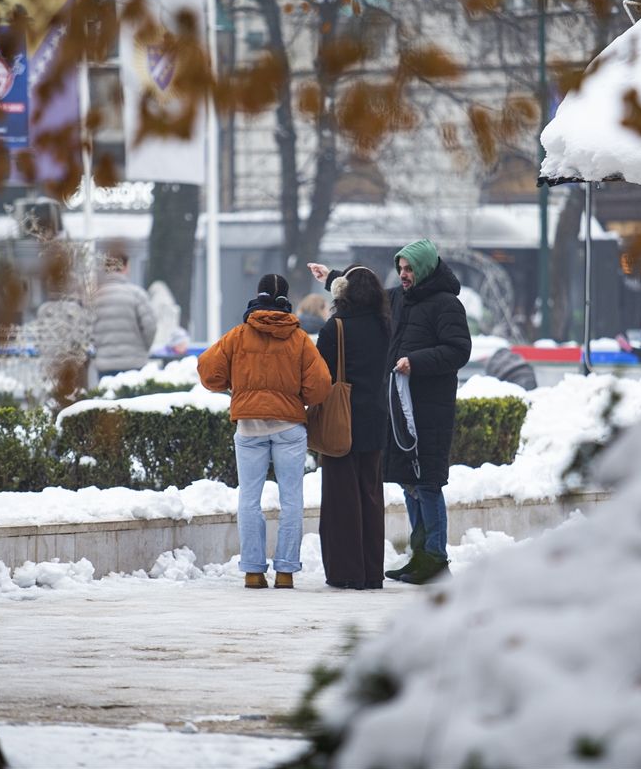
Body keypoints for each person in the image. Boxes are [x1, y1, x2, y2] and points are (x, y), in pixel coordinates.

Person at [309, 238, 471, 585]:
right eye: (400, 269)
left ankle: (435, 559)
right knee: (410, 483)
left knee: (427, 483)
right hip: (398, 409)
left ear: (424, 268)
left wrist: (416, 361)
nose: (403, 274)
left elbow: (459, 350)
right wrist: (332, 278)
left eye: (409, 269)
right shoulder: (399, 298)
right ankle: (419, 558)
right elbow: (365, 293)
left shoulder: (447, 305)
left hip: (429, 409)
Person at [198, 274, 331, 590]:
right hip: (289, 427)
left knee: (249, 498)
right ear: (286, 298)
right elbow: (321, 384)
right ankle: (285, 572)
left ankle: (253, 572)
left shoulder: (238, 335)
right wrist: (297, 398)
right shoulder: (299, 338)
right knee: (291, 499)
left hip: (249, 427)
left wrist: (235, 387)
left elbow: (207, 370)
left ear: (257, 296)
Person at [312, 265, 390, 590]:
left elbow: (319, 376)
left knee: (341, 497)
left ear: (342, 291)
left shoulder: (336, 327)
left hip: (341, 421)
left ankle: (346, 572)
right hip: (376, 419)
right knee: (371, 496)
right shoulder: (385, 326)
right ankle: (372, 572)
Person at [92, 251, 157, 379]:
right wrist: (143, 349)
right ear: (126, 267)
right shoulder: (137, 294)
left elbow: (86, 332)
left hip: (105, 364)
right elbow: (150, 327)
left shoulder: (95, 297)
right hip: (134, 363)